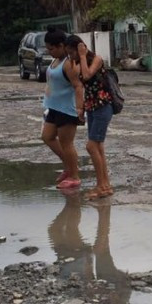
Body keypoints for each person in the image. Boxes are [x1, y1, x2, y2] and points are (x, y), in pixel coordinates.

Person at [65, 34, 114, 199]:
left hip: (102, 107)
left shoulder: (97, 59)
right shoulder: (78, 62)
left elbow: (87, 75)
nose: (70, 56)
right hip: (92, 108)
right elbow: (81, 85)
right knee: (98, 147)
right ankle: (105, 185)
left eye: (71, 52)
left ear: (80, 48)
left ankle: (101, 186)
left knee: (91, 146)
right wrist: (82, 109)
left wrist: (83, 55)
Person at [40, 29, 84, 190]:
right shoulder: (56, 61)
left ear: (61, 46)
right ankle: (69, 167)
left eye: (51, 49)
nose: (49, 52)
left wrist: (80, 108)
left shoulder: (69, 63)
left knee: (67, 143)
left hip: (67, 109)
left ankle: (74, 176)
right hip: (53, 107)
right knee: (47, 137)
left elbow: (78, 86)